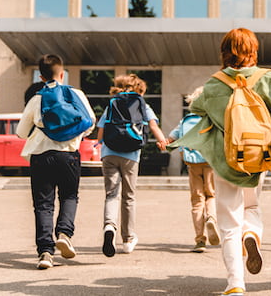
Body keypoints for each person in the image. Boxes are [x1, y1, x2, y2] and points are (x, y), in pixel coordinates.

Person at [168, 28, 271, 296]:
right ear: (253, 51)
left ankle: (235, 283)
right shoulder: (267, 78)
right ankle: (251, 234)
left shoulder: (215, 83)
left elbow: (195, 108)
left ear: (224, 52)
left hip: (226, 159)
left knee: (228, 222)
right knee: (251, 205)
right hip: (258, 155)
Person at [16, 54, 96, 270]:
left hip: (41, 156)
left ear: (41, 76)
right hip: (69, 155)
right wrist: (73, 136)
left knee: (43, 204)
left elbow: (20, 133)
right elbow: (90, 122)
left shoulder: (37, 99)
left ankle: (45, 253)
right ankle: (64, 233)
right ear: (63, 74)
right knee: (69, 196)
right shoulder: (75, 94)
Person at [96, 74, 168, 257]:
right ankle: (127, 239)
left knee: (111, 194)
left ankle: (109, 227)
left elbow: (101, 133)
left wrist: (100, 144)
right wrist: (163, 142)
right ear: (139, 90)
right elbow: (153, 126)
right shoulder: (142, 105)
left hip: (109, 153)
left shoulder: (112, 103)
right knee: (129, 197)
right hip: (131, 155)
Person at [163, 86, 220, 253]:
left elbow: (171, 139)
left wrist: (164, 144)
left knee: (197, 201)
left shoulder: (185, 120)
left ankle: (200, 240)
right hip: (210, 162)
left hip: (192, 164)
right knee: (211, 195)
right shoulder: (212, 119)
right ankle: (211, 217)